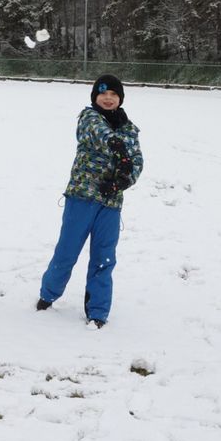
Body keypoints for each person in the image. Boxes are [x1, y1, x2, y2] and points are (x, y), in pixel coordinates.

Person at [36, 74, 144, 329]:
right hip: (82, 197)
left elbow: (137, 161)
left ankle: (98, 311)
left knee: (104, 257)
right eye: (103, 94)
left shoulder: (129, 129)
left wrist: (122, 181)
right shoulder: (88, 118)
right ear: (96, 97)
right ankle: (48, 294)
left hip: (111, 202)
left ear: (120, 99)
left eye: (113, 95)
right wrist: (116, 145)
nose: (108, 99)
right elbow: (98, 133)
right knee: (67, 251)